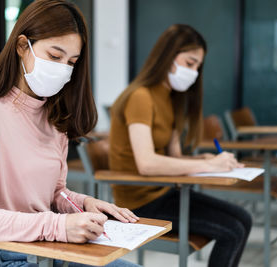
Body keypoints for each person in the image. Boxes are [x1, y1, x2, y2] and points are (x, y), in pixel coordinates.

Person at [0, 1, 140, 266]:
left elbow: (54, 192)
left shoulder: (54, 116)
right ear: (21, 46)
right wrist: (59, 226)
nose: (63, 68)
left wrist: (83, 204)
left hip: (46, 248)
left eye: (71, 61)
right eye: (54, 56)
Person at [109, 24, 252, 267]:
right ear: (168, 56)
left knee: (244, 219)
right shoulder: (140, 96)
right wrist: (211, 166)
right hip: (140, 203)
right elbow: (147, 164)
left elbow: (174, 156)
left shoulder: (171, 99)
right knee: (232, 230)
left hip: (164, 192)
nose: (194, 72)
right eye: (189, 63)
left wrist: (205, 161)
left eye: (197, 66)